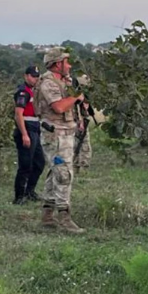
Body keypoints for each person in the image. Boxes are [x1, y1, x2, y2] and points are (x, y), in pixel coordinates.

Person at [36, 47, 86, 233]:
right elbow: (58, 107)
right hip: (54, 135)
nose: (70, 65)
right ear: (58, 64)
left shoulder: (65, 81)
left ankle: (47, 215)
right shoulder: (48, 83)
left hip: (65, 133)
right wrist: (75, 97)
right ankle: (64, 217)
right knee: (64, 174)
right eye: (66, 61)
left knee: (55, 172)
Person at [12, 65, 46, 204]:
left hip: (36, 128)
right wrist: (24, 134)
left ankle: (29, 191)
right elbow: (18, 114)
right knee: (25, 165)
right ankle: (19, 196)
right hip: (26, 128)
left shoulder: (35, 91)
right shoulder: (23, 92)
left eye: (37, 76)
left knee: (39, 163)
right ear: (26, 76)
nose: (35, 79)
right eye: (33, 76)